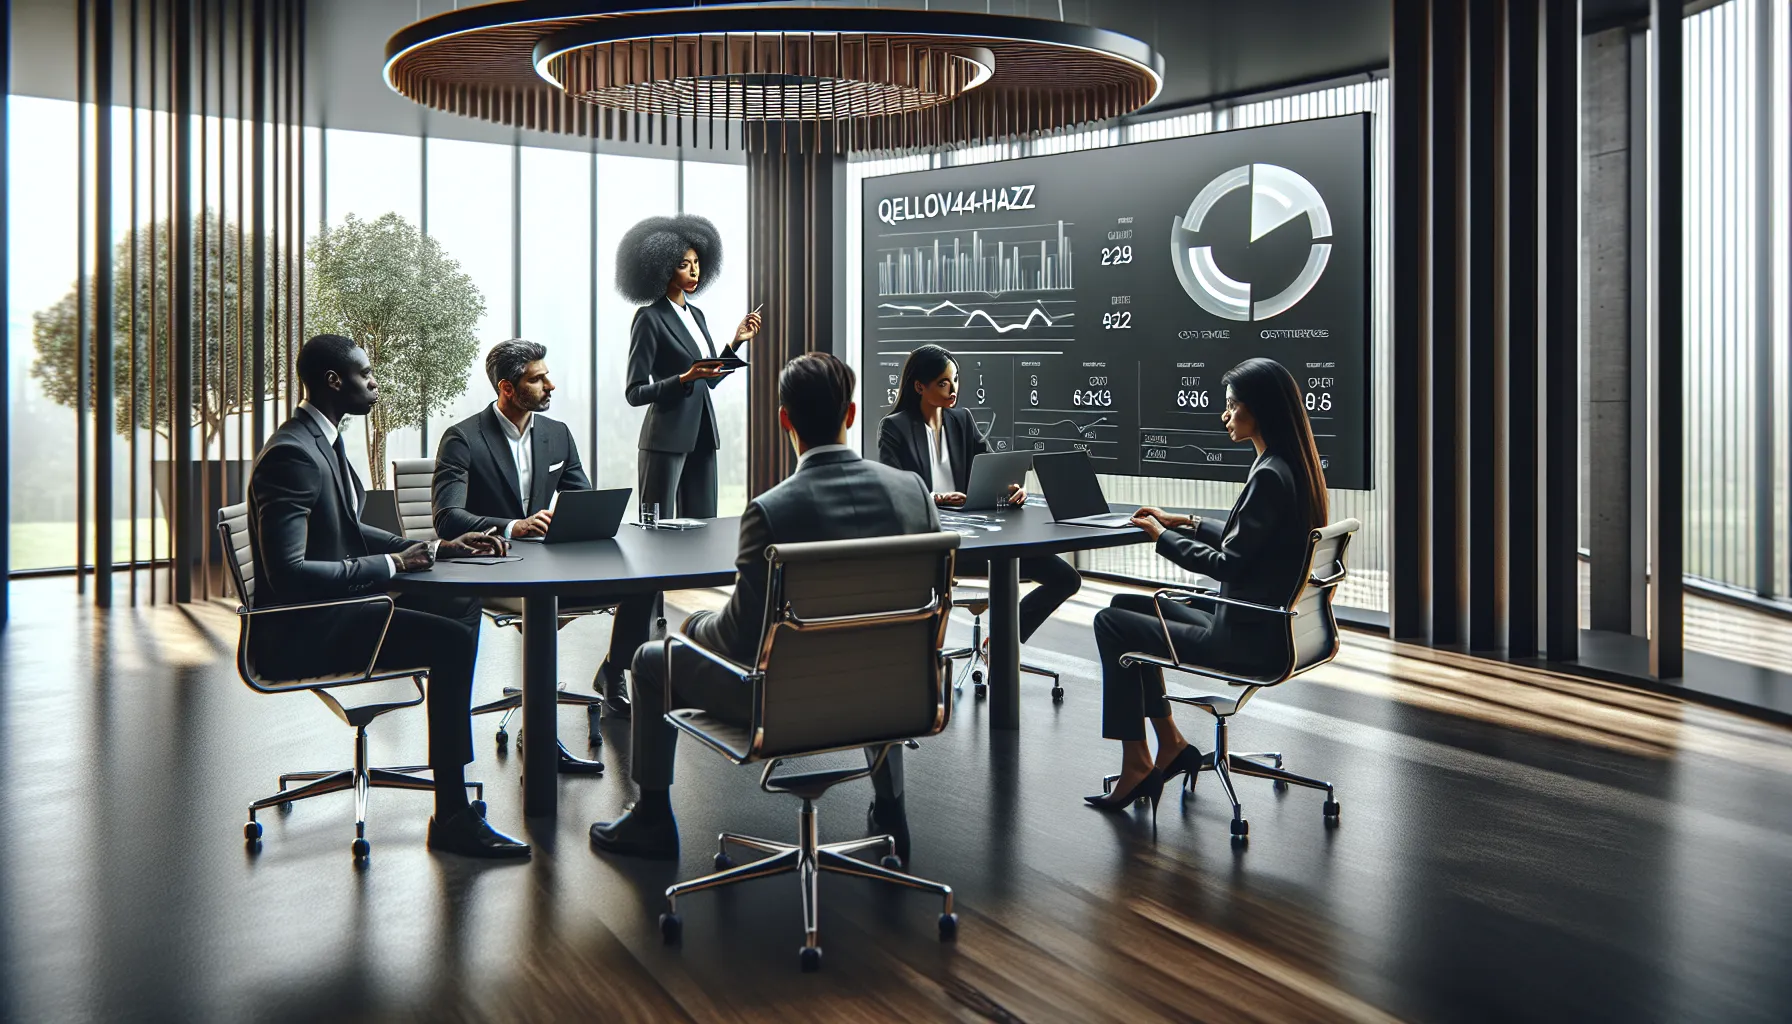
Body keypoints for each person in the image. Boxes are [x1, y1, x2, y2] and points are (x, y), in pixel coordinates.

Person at [590, 352, 938, 865]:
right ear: (851, 414)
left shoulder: (771, 510)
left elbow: (742, 642)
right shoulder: (913, 493)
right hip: (895, 696)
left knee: (648, 659)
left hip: (784, 707)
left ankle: (653, 819)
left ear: (784, 420)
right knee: (871, 643)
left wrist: (694, 626)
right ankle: (891, 813)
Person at [246, 333, 530, 859]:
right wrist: (394, 565)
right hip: (306, 632)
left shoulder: (319, 439)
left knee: (460, 606)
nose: (375, 382)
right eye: (365, 374)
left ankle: (448, 771)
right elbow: (288, 575)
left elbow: (347, 530)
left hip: (339, 611)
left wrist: (435, 546)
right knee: (449, 643)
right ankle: (450, 814)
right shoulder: (292, 453)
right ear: (335, 381)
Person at [1085, 357, 1330, 817]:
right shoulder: (1290, 467)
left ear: (1260, 411)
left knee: (1111, 624)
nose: (1225, 415)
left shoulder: (1270, 476)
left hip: (1243, 638)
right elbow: (1251, 545)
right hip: (1263, 625)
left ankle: (1136, 763)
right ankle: (1172, 744)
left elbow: (1227, 564)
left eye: (1233, 406)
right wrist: (1189, 522)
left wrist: (1163, 538)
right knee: (1124, 604)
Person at [432, 339, 654, 721]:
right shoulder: (463, 438)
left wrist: (589, 521)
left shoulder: (558, 434)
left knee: (644, 581)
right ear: (507, 388)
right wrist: (512, 527)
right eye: (538, 380)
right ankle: (537, 733)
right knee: (545, 599)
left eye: (547, 376)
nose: (550, 386)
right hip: (496, 566)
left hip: (548, 563)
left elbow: (581, 498)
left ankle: (613, 669)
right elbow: (447, 517)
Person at [878, 344, 1082, 645]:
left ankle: (999, 643)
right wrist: (936, 498)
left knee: (1066, 578)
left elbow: (990, 468)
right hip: (935, 545)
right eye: (943, 382)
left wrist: (1012, 487)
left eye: (956, 380)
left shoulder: (962, 420)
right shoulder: (895, 428)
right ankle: (926, 664)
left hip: (982, 537)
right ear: (920, 386)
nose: (953, 389)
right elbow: (894, 488)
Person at [618, 214, 762, 521]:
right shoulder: (649, 318)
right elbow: (635, 392)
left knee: (704, 523)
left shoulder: (697, 315)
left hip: (703, 435)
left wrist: (736, 342)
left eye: (696, 262)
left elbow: (709, 379)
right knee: (658, 528)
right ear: (662, 266)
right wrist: (684, 378)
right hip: (666, 438)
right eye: (684, 264)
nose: (694, 270)